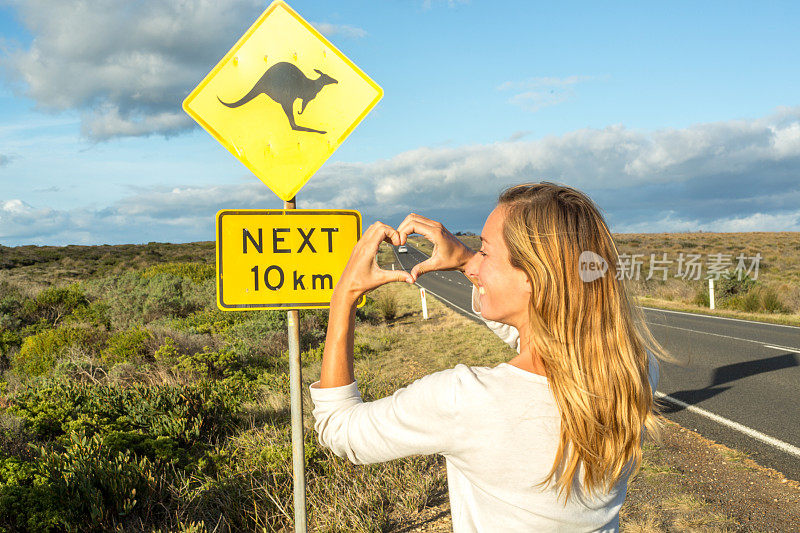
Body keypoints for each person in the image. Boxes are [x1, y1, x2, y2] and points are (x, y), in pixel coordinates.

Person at [309, 182, 668, 532]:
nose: (476, 262)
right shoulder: (632, 371)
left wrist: (344, 295)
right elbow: (543, 340)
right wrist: (468, 261)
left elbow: (339, 427)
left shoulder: (466, 401)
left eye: (485, 250)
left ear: (534, 275)